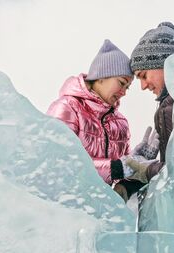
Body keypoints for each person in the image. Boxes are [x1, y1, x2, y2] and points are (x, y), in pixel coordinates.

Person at [47, 39, 146, 202]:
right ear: (101, 77)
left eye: (127, 87)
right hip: (67, 210)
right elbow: (58, 164)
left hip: (103, 213)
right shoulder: (67, 108)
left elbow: (123, 169)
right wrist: (116, 168)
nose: (124, 92)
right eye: (121, 83)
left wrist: (131, 173)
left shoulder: (121, 123)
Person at [125, 21, 174, 182]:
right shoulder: (170, 105)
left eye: (143, 75)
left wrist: (146, 169)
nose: (142, 86)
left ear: (161, 63)